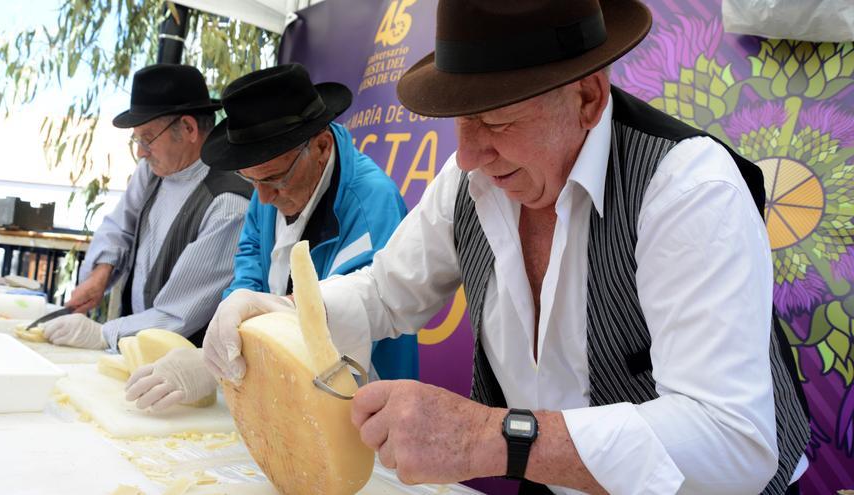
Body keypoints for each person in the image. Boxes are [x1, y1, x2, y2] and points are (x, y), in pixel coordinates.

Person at [204, 1, 812, 494]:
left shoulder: (687, 189)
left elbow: (733, 442)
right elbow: (385, 294)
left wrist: (488, 437)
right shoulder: (469, 180)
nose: (468, 155)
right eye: (461, 121)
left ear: (588, 98)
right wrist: (279, 316)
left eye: (496, 122)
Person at [125, 64, 419, 411]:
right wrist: (231, 320)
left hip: (359, 399)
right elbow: (249, 261)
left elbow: (343, 316)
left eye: (274, 180)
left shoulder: (371, 204)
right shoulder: (266, 182)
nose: (262, 199)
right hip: (284, 391)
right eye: (251, 181)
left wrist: (223, 355)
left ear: (322, 147)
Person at [43, 64, 251, 352]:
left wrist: (102, 334)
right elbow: (120, 226)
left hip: (182, 362)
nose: (141, 151)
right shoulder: (152, 171)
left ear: (189, 128)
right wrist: (100, 273)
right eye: (137, 139)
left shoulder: (227, 204)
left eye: (147, 137)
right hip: (136, 343)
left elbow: (180, 314)